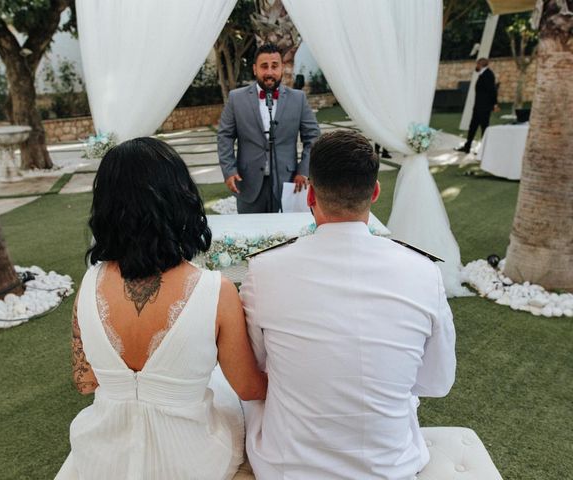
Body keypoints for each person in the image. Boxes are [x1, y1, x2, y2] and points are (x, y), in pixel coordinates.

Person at [240, 130, 456, 480]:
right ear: (375, 192)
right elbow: (437, 383)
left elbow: (259, 369)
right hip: (391, 466)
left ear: (310, 192)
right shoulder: (424, 272)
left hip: (286, 466)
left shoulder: (264, 271)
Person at [55, 137, 267, 480]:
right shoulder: (216, 291)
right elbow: (249, 388)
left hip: (103, 459)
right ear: (180, 199)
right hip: (191, 460)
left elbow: (85, 382)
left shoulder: (89, 284)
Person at [218, 43, 320, 213]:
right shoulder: (236, 98)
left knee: (288, 235)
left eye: (275, 66)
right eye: (264, 66)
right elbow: (225, 136)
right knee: (251, 235)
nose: (270, 72)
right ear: (254, 69)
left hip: (289, 182)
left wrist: (304, 170)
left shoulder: (299, 99)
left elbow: (313, 137)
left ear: (282, 67)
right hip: (247, 182)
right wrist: (229, 170)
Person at [456, 58, 499, 153]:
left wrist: (494, 104)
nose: (476, 66)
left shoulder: (488, 74)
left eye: (477, 64)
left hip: (484, 107)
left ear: (480, 64)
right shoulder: (483, 73)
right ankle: (467, 147)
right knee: (473, 126)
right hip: (478, 106)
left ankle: (484, 150)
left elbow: (493, 90)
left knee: (484, 128)